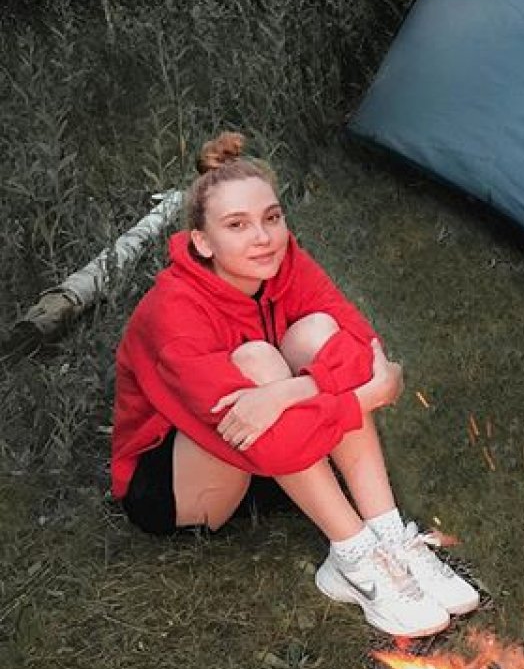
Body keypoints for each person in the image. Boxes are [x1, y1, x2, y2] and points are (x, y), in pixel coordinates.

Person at [111, 132, 479, 637]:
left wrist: (292, 391)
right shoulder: (174, 312)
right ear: (202, 241)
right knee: (260, 359)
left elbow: (362, 349)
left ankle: (390, 541)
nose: (263, 237)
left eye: (272, 217)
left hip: (273, 449)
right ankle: (355, 561)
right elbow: (290, 423)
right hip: (180, 486)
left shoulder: (286, 263)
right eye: (236, 225)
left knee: (318, 335)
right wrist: (360, 398)